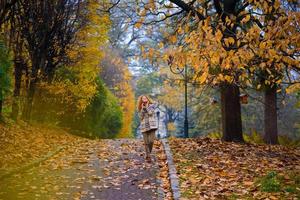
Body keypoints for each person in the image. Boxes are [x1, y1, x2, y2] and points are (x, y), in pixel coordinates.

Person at [137, 95, 158, 163]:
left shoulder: (152, 106)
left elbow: (150, 113)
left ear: (148, 99)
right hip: (144, 126)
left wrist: (146, 107)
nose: (144, 99)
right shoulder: (140, 107)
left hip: (152, 126)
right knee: (146, 143)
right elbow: (141, 117)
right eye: (143, 99)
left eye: (145, 98)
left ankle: (148, 153)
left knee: (151, 141)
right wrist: (143, 109)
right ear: (141, 100)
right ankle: (148, 156)